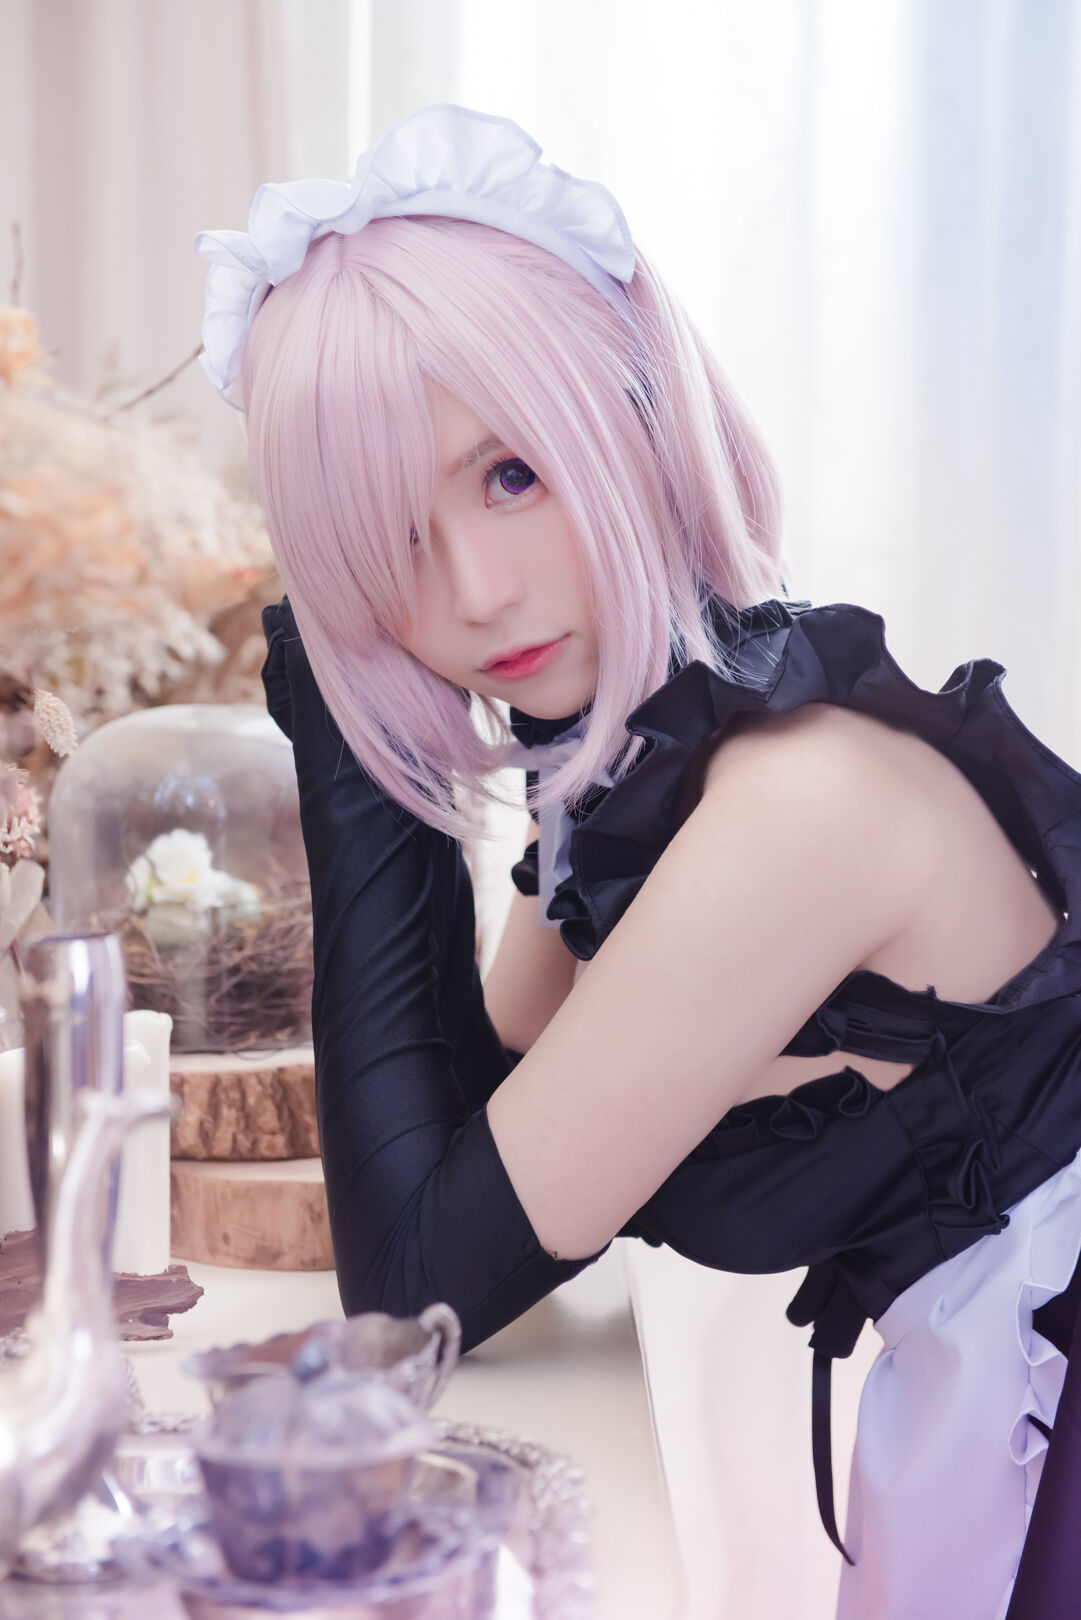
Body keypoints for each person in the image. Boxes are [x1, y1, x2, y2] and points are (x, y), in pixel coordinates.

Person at [194, 103, 1081, 1620]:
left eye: (511, 474)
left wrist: (343, 739)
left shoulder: (800, 803)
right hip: (978, 1394)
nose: (477, 592)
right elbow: (484, 1103)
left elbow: (416, 1291)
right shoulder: (646, 761)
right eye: (385, 537)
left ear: (631, 418)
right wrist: (359, 691)